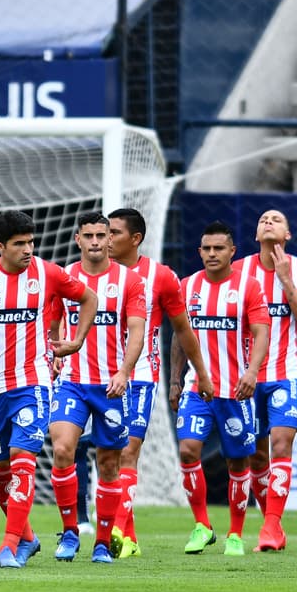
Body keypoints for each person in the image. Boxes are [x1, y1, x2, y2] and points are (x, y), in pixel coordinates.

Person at [0, 209, 96, 568]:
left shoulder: (48, 273)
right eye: (19, 244)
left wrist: (77, 340)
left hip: (32, 383)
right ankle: (28, 538)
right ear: (1, 246)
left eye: (31, 242)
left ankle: (8, 546)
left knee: (23, 458)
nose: (28, 249)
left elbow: (89, 298)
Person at [106, 207, 212, 558]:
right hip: (96, 376)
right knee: (108, 456)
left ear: (135, 238)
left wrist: (197, 375)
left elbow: (183, 330)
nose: (106, 239)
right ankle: (130, 538)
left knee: (128, 451)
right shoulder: (94, 272)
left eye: (114, 233)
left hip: (139, 376)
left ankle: (116, 530)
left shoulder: (161, 277)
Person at [46, 211, 146, 565]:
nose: (94, 242)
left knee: (108, 462)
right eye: (87, 236)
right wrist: (53, 353)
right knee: (62, 449)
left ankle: (102, 543)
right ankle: (70, 532)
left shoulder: (129, 281)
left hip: (110, 385)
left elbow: (137, 331)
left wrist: (124, 371)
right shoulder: (64, 277)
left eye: (100, 235)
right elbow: (52, 321)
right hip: (72, 381)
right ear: (77, 239)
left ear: (109, 239)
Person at [170, 221, 268, 557]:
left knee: (238, 463)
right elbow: (181, 337)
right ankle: (202, 526)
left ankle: (235, 534)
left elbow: (261, 332)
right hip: (197, 388)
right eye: (207, 248)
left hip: (236, 391)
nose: (212, 254)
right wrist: (175, 380)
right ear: (199, 252)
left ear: (231, 252)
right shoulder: (187, 286)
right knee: (188, 450)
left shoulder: (249, 286)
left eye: (219, 248)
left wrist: (252, 372)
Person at [234, 209, 297, 552]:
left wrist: (286, 281)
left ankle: (269, 528)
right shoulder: (238, 270)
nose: (268, 222)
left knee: (281, 444)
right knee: (256, 455)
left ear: (288, 235)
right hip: (247, 375)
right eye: (263, 219)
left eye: (277, 220)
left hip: (286, 372)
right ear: (256, 235)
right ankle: (273, 524)